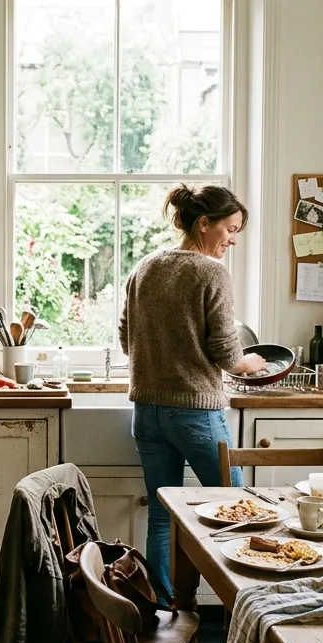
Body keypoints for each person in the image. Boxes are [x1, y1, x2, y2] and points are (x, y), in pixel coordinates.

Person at [118, 184, 267, 596]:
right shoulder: (210, 272)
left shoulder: (146, 265)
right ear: (205, 224)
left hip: (146, 412)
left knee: (163, 515)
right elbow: (225, 350)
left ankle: (164, 608)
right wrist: (249, 363)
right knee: (238, 509)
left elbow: (126, 338)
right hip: (196, 414)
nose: (233, 240)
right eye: (230, 229)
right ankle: (244, 603)